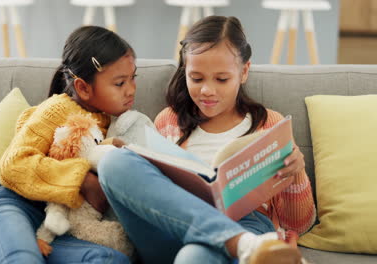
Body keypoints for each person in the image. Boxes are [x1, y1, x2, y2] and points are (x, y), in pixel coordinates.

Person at [98, 16, 316, 264]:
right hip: (174, 225)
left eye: (221, 79)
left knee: (194, 257)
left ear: (244, 72)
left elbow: (300, 224)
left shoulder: (269, 123)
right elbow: (153, 194)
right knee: (114, 162)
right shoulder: (168, 121)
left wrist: (295, 172)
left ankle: (241, 242)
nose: (207, 90)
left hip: (246, 223)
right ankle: (239, 243)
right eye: (197, 78)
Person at [0, 25, 138, 264]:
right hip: (11, 203)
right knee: (22, 259)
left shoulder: (114, 123)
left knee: (110, 260)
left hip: (53, 224)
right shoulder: (56, 109)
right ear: (83, 88)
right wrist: (83, 178)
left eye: (133, 78)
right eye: (120, 83)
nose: (131, 90)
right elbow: (13, 165)